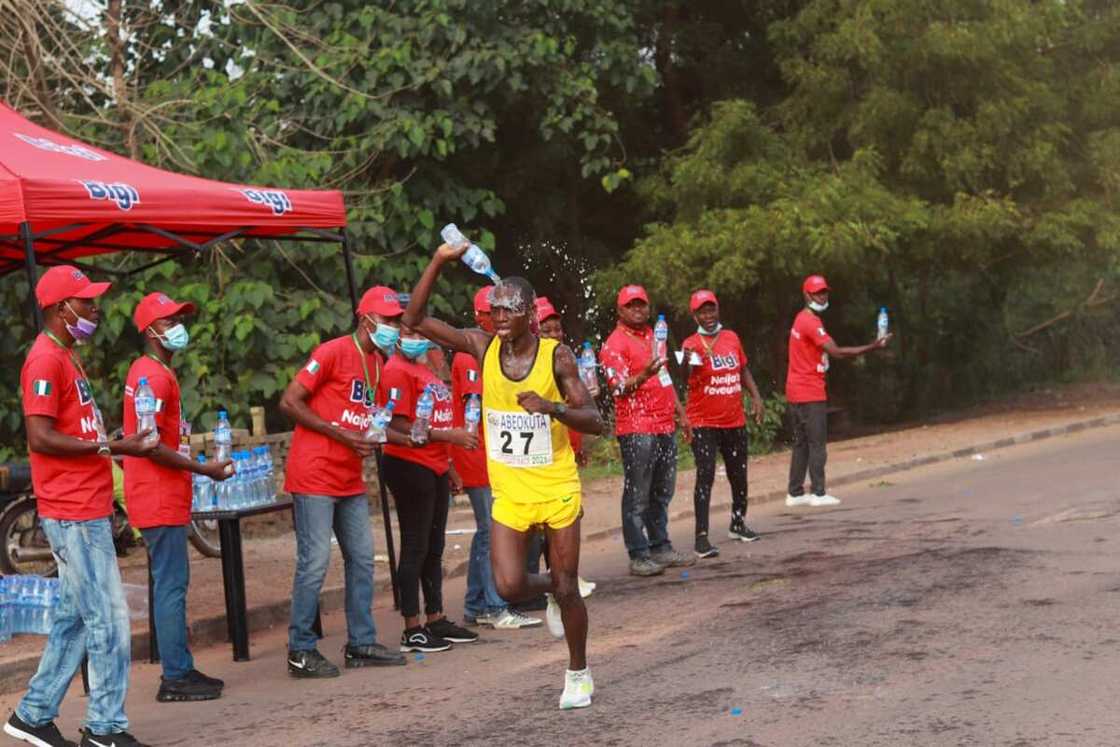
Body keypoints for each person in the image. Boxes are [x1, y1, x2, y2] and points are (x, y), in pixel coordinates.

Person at [403, 245, 604, 710]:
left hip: (555, 486)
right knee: (510, 586)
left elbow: (595, 418)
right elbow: (413, 320)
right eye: (493, 309)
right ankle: (553, 588)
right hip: (511, 490)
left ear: (529, 314)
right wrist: (437, 260)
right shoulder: (481, 346)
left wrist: (552, 407)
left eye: (508, 309)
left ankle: (578, 672)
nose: (498, 317)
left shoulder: (558, 356)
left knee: (570, 584)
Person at [6, 265, 156, 747]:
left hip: (83, 505)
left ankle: (32, 716)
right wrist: (111, 449)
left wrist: (113, 443)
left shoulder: (66, 356)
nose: (95, 310)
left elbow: (74, 431)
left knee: (73, 620)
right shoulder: (45, 360)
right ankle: (105, 729)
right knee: (109, 619)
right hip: (73, 510)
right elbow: (40, 435)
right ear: (59, 309)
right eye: (86, 302)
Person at [279, 285, 407, 678]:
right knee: (315, 563)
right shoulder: (332, 351)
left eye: (397, 321)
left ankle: (361, 642)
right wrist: (339, 434)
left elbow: (364, 416)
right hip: (315, 472)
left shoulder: (379, 362)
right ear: (365, 319)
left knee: (363, 559)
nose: (394, 327)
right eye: (388, 320)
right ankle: (300, 649)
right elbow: (289, 401)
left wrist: (376, 435)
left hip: (348, 476)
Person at [121, 292, 232, 702]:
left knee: (170, 583)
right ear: (150, 332)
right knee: (170, 585)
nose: (178, 328)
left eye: (179, 319)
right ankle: (175, 677)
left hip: (161, 493)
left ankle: (180, 667)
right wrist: (206, 468)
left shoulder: (151, 373)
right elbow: (149, 444)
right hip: (158, 494)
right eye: (170, 322)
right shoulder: (153, 376)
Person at [381, 323, 481, 653]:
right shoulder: (396, 370)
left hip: (435, 464)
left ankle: (435, 616)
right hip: (409, 463)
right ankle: (412, 627)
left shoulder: (423, 369)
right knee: (415, 546)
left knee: (434, 546)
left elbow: (433, 418)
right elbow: (398, 423)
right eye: (408, 334)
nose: (416, 340)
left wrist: (449, 465)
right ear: (396, 338)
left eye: (418, 333)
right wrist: (449, 437)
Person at [451, 287, 542, 630]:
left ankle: (477, 603)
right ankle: (493, 605)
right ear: (481, 318)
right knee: (493, 531)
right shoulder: (474, 354)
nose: (502, 319)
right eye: (495, 312)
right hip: (479, 455)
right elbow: (475, 408)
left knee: (486, 532)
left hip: (497, 455)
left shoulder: (504, 351)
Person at [599, 285, 694, 577]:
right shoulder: (614, 344)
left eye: (642, 304)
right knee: (637, 493)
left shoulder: (655, 336)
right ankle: (638, 554)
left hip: (664, 423)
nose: (638, 309)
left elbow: (664, 376)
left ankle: (660, 546)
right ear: (620, 310)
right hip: (637, 427)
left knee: (662, 490)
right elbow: (617, 387)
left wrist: (682, 413)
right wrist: (644, 375)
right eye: (632, 305)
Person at [785, 275, 892, 507]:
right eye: (817, 293)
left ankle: (794, 493)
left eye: (824, 292)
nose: (822, 296)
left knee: (801, 443)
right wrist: (872, 347)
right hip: (809, 391)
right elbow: (838, 352)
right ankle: (818, 493)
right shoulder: (811, 322)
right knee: (817, 443)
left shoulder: (801, 318)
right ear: (806, 295)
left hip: (795, 390)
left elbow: (815, 351)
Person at [681, 290, 765, 558]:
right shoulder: (690, 343)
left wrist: (756, 396)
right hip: (703, 421)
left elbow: (742, 369)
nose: (708, 316)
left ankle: (738, 522)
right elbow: (684, 375)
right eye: (702, 312)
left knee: (738, 474)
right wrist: (686, 359)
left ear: (718, 310)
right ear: (694, 315)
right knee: (705, 475)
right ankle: (701, 538)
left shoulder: (731, 337)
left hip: (734, 419)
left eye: (711, 310)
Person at [533, 297, 595, 598]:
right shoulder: (533, 366)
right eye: (548, 330)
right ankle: (551, 583)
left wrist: (578, 445)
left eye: (558, 330)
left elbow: (577, 414)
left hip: (565, 451)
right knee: (547, 524)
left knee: (570, 518)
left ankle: (565, 577)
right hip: (541, 459)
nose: (556, 335)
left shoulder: (564, 362)